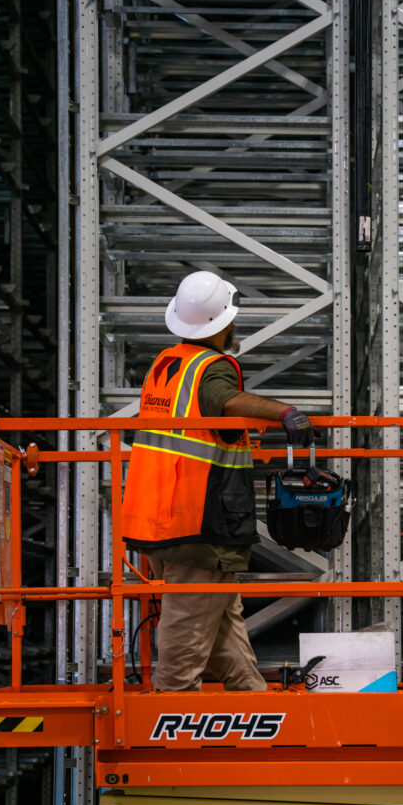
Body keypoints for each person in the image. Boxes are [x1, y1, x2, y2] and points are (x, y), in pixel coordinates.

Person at [121, 270, 316, 692]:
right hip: (199, 521)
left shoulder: (167, 364)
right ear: (222, 323)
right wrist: (284, 412)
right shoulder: (212, 368)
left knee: (221, 616)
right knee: (188, 627)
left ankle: (254, 700)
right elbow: (223, 400)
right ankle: (170, 711)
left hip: (163, 516)